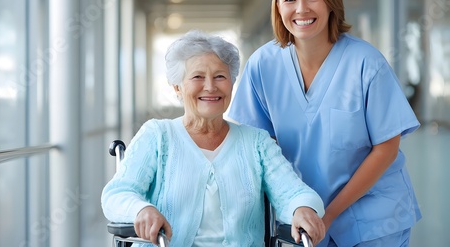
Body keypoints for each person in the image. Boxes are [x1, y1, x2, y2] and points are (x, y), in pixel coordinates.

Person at [228, 0, 422, 246]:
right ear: (277, 6)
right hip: (301, 217)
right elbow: (258, 145)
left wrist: (327, 215)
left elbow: (386, 148)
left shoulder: (366, 63)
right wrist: (296, 205)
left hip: (372, 219)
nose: (301, 9)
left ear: (331, 1)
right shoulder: (263, 65)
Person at [101, 30, 326, 246]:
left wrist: (302, 208)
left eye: (220, 76)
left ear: (231, 83)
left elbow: (293, 192)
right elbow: (117, 193)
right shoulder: (157, 136)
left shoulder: (257, 142)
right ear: (177, 87)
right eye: (198, 77)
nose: (210, 87)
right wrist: (141, 209)